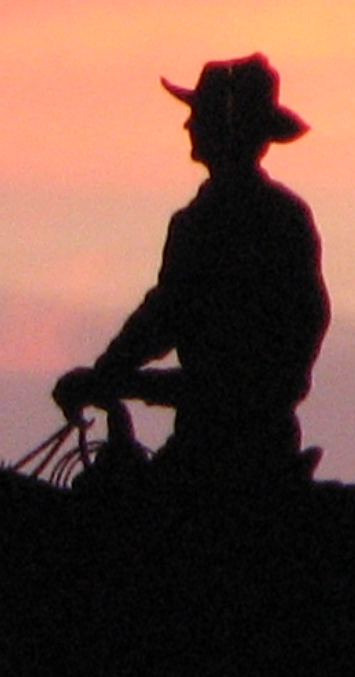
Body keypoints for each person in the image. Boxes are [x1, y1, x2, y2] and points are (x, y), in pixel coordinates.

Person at [54, 55, 329, 492]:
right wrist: (113, 372)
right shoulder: (280, 215)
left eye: (198, 116)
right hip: (258, 436)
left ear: (225, 125)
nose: (188, 127)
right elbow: (168, 315)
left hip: (222, 448)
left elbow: (168, 312)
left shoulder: (208, 222)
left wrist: (109, 375)